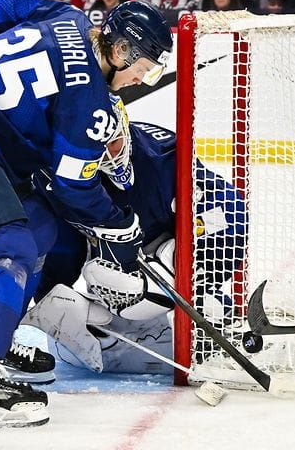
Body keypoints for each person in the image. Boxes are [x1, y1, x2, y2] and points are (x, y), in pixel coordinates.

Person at [0, 0, 172, 427]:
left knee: (45, 230)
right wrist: (123, 226)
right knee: (14, 248)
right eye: (145, 65)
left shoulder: (66, 15)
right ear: (121, 51)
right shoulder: (90, 103)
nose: (143, 78)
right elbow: (74, 185)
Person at [25, 119, 246, 374]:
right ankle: (136, 323)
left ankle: (215, 318)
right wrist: (53, 296)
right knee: (98, 296)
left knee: (174, 287)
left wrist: (183, 269)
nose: (107, 156)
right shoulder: (55, 177)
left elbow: (230, 214)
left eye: (114, 143)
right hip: (117, 271)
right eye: (94, 149)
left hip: (167, 252)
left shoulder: (160, 160)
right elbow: (63, 245)